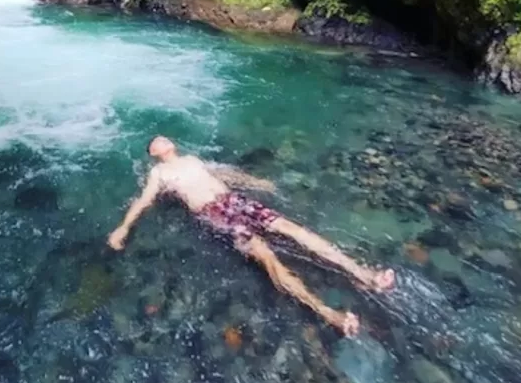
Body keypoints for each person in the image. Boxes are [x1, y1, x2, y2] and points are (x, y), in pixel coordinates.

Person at [107, 137, 396, 337]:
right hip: (215, 213)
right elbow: (143, 201)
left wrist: (255, 182)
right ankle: (327, 312)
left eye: (164, 137)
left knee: (295, 230)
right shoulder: (159, 174)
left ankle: (363, 274)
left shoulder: (194, 159)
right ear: (154, 152)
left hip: (235, 200)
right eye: (156, 141)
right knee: (266, 257)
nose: (162, 139)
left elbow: (224, 175)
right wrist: (124, 227)